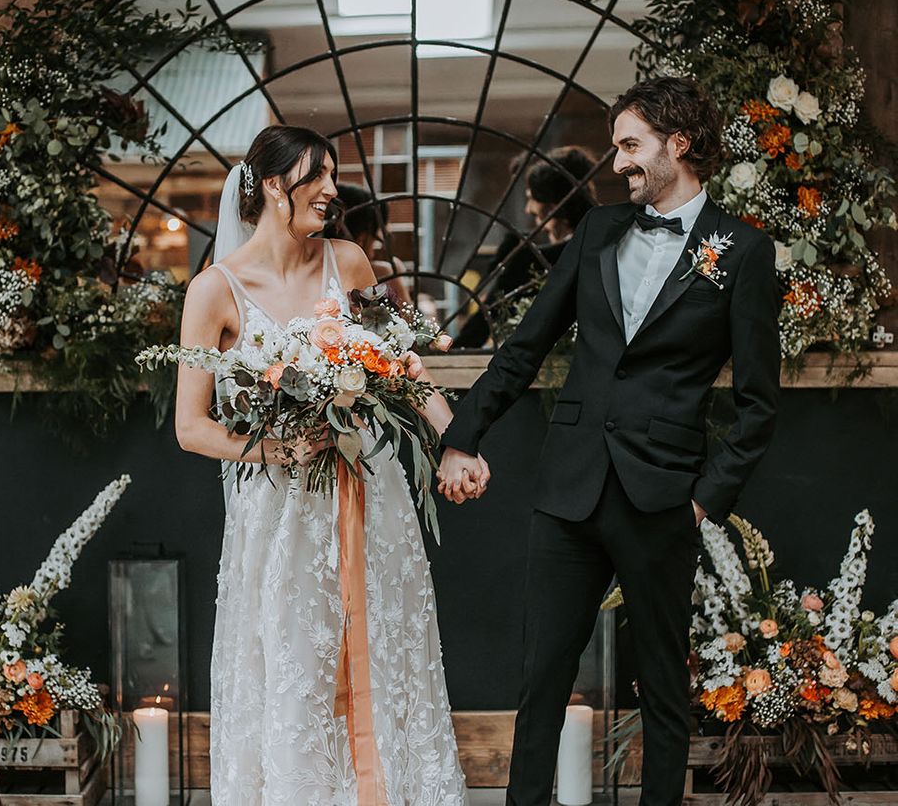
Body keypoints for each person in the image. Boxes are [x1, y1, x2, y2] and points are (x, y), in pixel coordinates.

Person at [436, 77, 780, 806]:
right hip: (568, 487)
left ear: (676, 145)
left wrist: (703, 503)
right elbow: (525, 346)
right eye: (618, 146)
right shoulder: (595, 231)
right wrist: (460, 437)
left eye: (630, 145)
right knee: (541, 679)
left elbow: (758, 404)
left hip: (662, 498)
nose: (618, 161)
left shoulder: (744, 252)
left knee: (659, 686)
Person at [174, 125, 469, 806]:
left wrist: (456, 442)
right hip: (280, 512)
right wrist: (275, 449)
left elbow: (401, 371)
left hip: (369, 492)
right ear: (275, 186)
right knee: (298, 661)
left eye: (334, 176)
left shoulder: (349, 262)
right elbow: (192, 428)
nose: (334, 191)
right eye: (320, 176)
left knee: (384, 650)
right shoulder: (214, 292)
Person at [455, 146, 598, 348]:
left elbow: (487, 319)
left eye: (531, 198)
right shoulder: (598, 243)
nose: (528, 209)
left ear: (553, 204)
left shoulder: (533, 259)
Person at [325, 182, 412, 303]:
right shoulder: (383, 273)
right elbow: (408, 320)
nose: (376, 249)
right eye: (376, 240)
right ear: (361, 238)